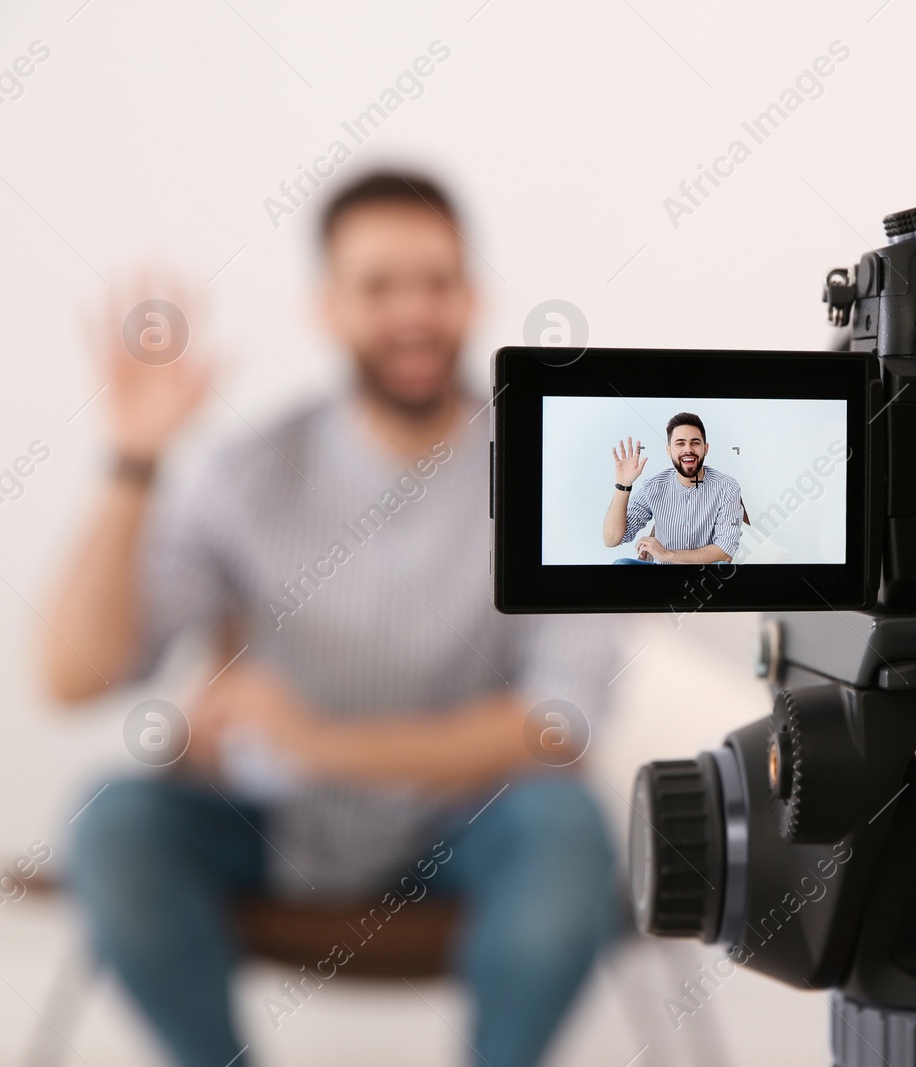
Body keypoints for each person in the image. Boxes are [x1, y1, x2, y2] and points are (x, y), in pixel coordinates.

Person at [40, 171, 618, 1067]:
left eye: (437, 282)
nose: (413, 312)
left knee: (567, 827)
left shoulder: (550, 472)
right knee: (113, 820)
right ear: (328, 306)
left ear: (473, 297)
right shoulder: (246, 469)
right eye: (379, 285)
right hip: (269, 824)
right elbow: (75, 674)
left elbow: (557, 725)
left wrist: (315, 741)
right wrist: (134, 460)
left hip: (465, 830)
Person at [602, 413, 742, 564]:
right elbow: (611, 539)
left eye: (695, 443)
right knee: (622, 565)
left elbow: (725, 552)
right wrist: (623, 485)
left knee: (722, 565)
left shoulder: (727, 488)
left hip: (705, 575)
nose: (688, 449)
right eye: (680, 443)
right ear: (669, 450)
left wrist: (667, 555)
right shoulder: (654, 486)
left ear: (705, 449)